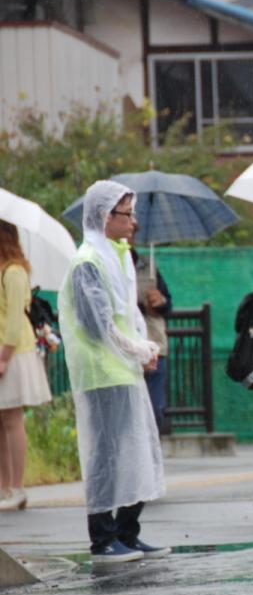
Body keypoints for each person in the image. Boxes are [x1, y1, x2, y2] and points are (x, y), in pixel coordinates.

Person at [58, 181, 169, 562]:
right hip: (101, 370)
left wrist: (143, 348)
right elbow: (97, 324)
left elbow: (129, 313)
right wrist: (137, 349)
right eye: (126, 214)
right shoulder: (87, 260)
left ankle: (127, 531)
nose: (133, 222)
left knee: (134, 449)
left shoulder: (118, 254)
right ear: (106, 216)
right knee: (105, 453)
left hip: (123, 368)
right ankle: (103, 539)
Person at [0, 222, 52, 512]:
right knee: (1, 421)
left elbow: (15, 320)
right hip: (5, 351)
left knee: (12, 418)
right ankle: (5, 487)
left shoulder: (15, 272)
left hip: (14, 351)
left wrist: (5, 356)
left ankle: (17, 487)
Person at [133, 244, 172, 436]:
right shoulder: (108, 265)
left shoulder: (149, 267)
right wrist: (139, 305)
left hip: (155, 344)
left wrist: (159, 301)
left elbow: (168, 304)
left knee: (156, 407)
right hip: (129, 348)